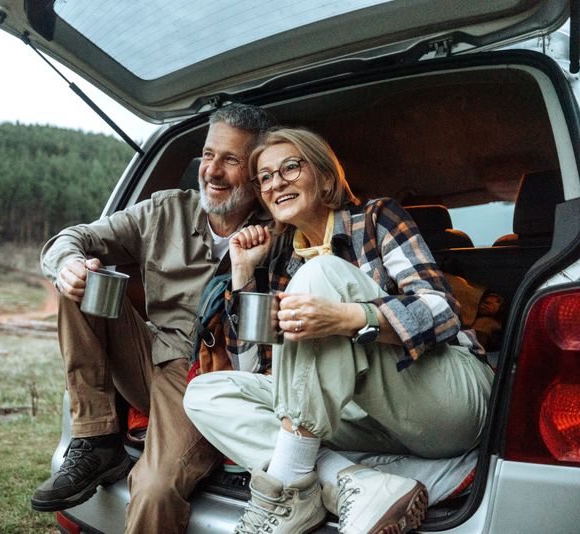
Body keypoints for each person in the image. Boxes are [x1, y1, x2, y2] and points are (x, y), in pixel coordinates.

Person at [184, 127, 494, 534]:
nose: (276, 183)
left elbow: (441, 310)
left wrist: (349, 319)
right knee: (207, 392)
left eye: (290, 168)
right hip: (365, 423)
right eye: (265, 177)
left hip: (444, 399)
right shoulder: (281, 266)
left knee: (323, 272)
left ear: (326, 176)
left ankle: (292, 489)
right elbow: (259, 373)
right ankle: (359, 481)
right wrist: (243, 273)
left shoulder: (376, 219)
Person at [33, 104, 273, 533]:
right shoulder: (165, 210)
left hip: (205, 378)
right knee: (83, 277)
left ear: (257, 173)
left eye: (230, 160)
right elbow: (74, 237)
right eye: (208, 155)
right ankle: (96, 437)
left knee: (155, 489)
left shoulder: (278, 234)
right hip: (145, 355)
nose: (212, 171)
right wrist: (67, 263)